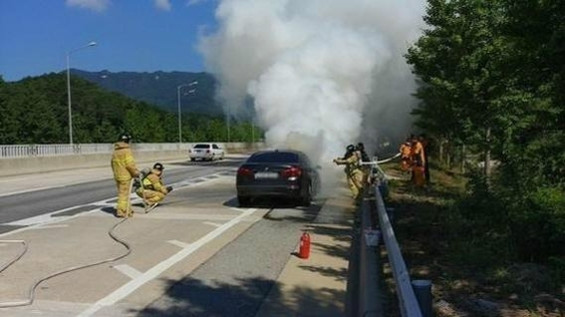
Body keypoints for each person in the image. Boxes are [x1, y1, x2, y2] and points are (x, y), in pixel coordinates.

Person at [111, 132, 140, 218]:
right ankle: (122, 211)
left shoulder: (115, 152)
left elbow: (112, 164)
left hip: (117, 176)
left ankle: (128, 210)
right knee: (124, 195)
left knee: (123, 194)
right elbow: (130, 165)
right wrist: (136, 173)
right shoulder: (127, 151)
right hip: (125, 177)